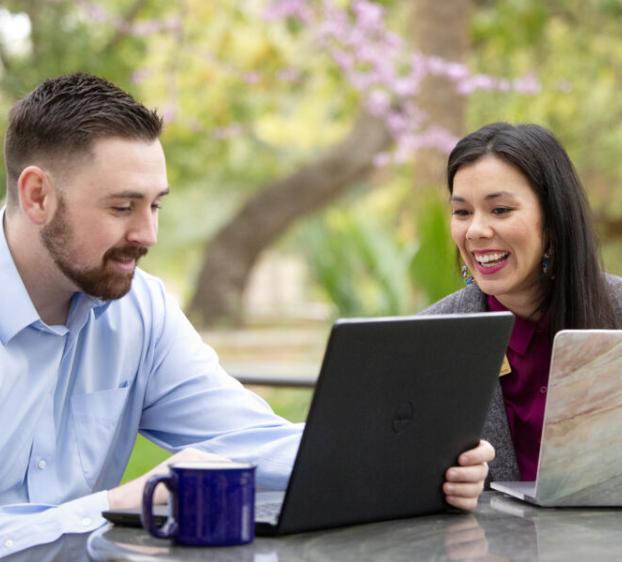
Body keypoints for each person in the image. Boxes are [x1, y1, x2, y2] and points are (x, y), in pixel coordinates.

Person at [0, 73, 491, 553]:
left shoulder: (139, 310)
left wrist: (414, 457)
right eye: (123, 206)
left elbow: (246, 439)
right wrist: (111, 504)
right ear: (38, 196)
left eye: (155, 206)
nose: (148, 235)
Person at [424, 122, 622, 486]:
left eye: (499, 210)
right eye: (462, 212)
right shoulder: (429, 338)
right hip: (482, 542)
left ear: (553, 218)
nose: (476, 231)